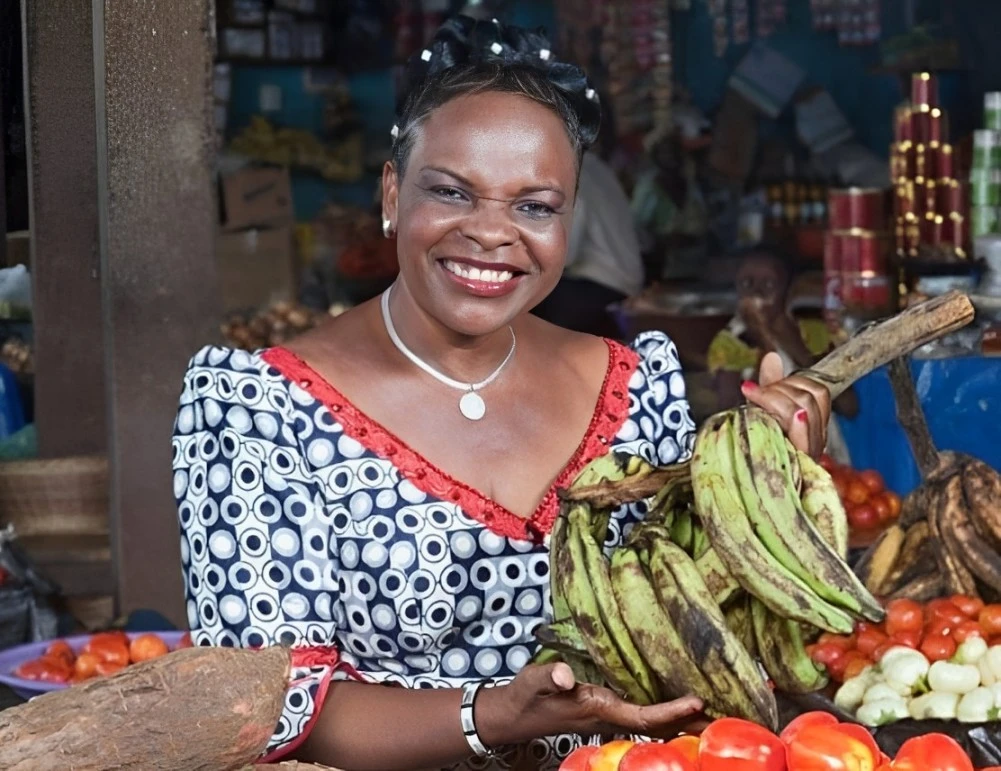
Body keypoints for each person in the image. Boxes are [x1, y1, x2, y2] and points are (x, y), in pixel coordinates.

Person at [173, 17, 833, 771]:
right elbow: (268, 706)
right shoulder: (259, 408)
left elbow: (699, 626)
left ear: (569, 221)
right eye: (452, 192)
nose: (492, 233)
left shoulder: (635, 383)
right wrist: (496, 715)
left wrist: (774, 487)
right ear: (393, 193)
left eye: (534, 206)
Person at [708, 251, 857, 463]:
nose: (756, 292)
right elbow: (729, 414)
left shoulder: (815, 333)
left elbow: (849, 405)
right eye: (747, 283)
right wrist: (764, 337)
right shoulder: (729, 343)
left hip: (823, 453)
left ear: (788, 291)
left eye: (768, 285)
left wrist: (793, 344)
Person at [531, 148, 644, 338]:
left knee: (524, 304)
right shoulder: (594, 165)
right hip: (626, 282)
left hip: (601, 286)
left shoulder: (565, 170)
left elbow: (565, 255)